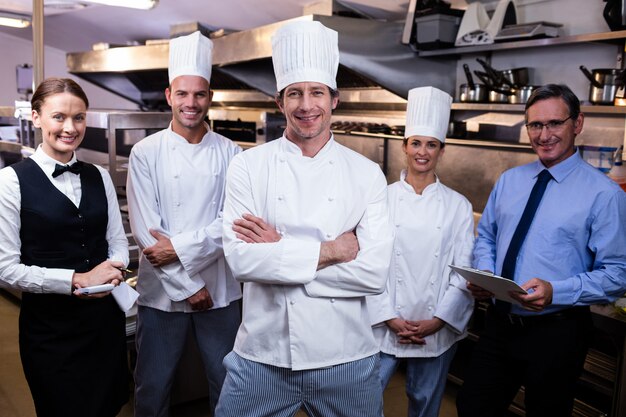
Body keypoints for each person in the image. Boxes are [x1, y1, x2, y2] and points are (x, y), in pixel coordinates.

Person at [215, 21, 394, 417]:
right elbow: (241, 261)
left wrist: (279, 254)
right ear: (279, 103)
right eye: (294, 93)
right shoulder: (247, 167)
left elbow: (374, 274)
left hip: (347, 356)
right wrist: (332, 251)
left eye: (316, 93)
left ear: (334, 100)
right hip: (263, 354)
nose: (306, 105)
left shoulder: (366, 174)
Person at [456, 83, 626, 417]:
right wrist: (487, 274)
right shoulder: (510, 180)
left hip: (558, 332)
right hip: (500, 324)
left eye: (554, 123)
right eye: (535, 125)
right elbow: (487, 235)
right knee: (472, 407)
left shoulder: (605, 194)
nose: (543, 134)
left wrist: (555, 291)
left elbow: (618, 274)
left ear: (577, 123)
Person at [126, 31, 242, 416]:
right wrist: (189, 286)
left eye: (200, 94)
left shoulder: (232, 153)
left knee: (225, 380)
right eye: (183, 93)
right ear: (168, 95)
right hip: (162, 295)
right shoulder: (146, 152)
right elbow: (146, 231)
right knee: (153, 385)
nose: (191, 103)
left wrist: (176, 247)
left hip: (222, 292)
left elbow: (233, 223)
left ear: (210, 97)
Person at [0, 77, 129, 417]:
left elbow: (117, 243)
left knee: (107, 406)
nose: (70, 127)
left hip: (103, 327)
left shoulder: (99, 175)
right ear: (36, 117)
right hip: (50, 334)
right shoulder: (10, 182)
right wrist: (77, 279)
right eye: (58, 117)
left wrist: (111, 270)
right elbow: (5, 268)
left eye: (79, 117)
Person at [367, 86, 475, 417]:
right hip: (384, 323)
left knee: (426, 403)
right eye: (416, 143)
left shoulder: (458, 206)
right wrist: (389, 316)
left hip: (435, 326)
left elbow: (464, 271)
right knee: (364, 401)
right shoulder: (379, 199)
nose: (422, 152)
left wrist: (439, 319)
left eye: (431, 144)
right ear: (404, 146)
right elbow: (367, 263)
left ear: (442, 150)